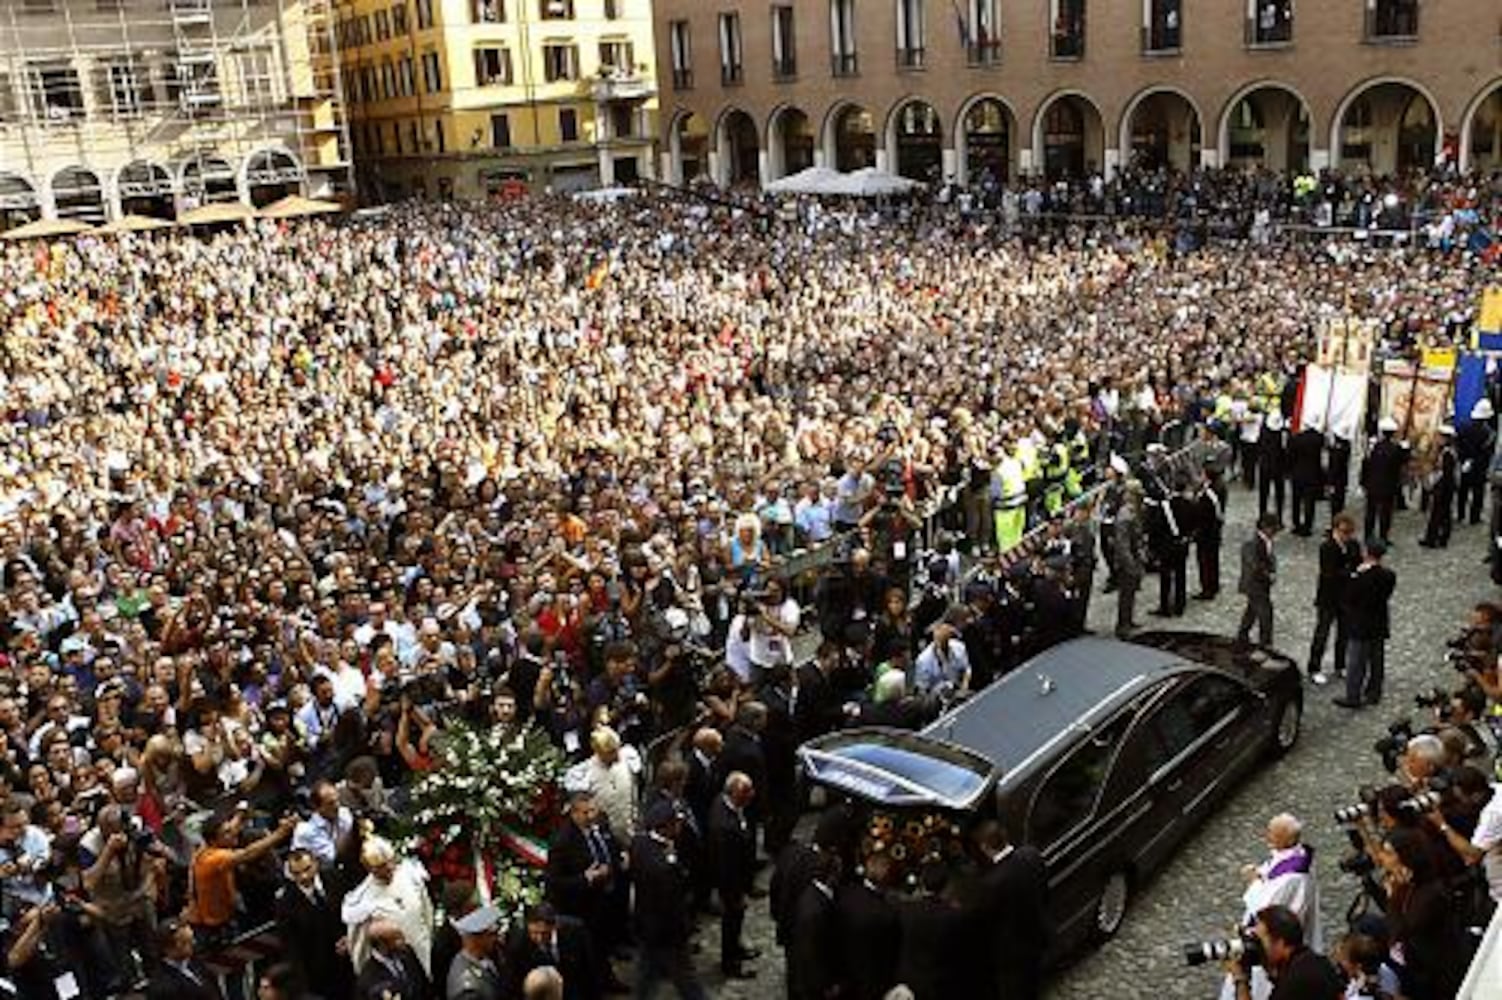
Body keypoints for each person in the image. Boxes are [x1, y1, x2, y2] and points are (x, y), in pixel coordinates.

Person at [1221, 815, 1320, 1000]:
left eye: (1273, 833)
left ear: (1289, 839)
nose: (1267, 836)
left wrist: (1254, 882)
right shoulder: (1292, 856)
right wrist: (1260, 873)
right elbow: (1272, 878)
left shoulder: (1294, 874)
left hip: (1272, 941)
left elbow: (1267, 907)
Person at [545, 790, 626, 991]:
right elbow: (554, 882)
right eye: (585, 812)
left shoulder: (600, 826)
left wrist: (619, 857)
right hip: (581, 907)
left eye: (593, 810)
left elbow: (611, 848)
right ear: (573, 813)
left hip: (605, 899)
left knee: (604, 944)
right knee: (589, 951)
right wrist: (585, 879)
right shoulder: (562, 842)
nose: (591, 816)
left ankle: (607, 978)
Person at [629, 800, 706, 1000]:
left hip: (646, 924)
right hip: (667, 931)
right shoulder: (663, 867)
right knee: (686, 978)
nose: (681, 826)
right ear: (666, 827)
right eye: (677, 823)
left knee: (647, 973)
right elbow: (672, 899)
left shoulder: (639, 843)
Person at [968, 820, 1048, 1000]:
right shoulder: (1031, 855)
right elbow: (1044, 891)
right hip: (1036, 937)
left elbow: (984, 922)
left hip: (1011, 954)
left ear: (985, 847)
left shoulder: (992, 883)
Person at [340, 835, 435, 976]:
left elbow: (427, 912)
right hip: (396, 972)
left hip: (424, 954)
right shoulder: (361, 901)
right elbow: (359, 949)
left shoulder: (410, 875)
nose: (389, 868)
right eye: (381, 866)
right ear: (369, 868)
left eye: (390, 861)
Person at [274, 847, 354, 1000]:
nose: (304, 876)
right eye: (296, 873)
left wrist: (350, 936)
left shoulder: (334, 878)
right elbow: (291, 949)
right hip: (318, 975)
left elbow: (352, 912)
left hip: (349, 963)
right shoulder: (285, 904)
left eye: (307, 869)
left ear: (316, 864)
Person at [1223, 905, 1343, 1000]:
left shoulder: (1296, 981)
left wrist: (1241, 980)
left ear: (1280, 943)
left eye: (1259, 941)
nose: (1256, 946)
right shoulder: (1314, 961)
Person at [707, 772, 759, 980]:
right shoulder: (725, 828)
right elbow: (727, 867)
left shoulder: (725, 803)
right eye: (747, 792)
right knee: (731, 920)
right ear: (734, 794)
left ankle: (736, 949)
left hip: (737, 877)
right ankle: (730, 963)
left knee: (736, 920)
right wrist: (737, 894)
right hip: (731, 884)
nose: (752, 795)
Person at [1335, 540, 1396, 709]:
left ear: (1366, 553)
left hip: (1361, 624)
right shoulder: (1389, 575)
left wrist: (1355, 576)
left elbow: (1349, 598)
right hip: (1379, 622)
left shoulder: (1360, 577)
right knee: (1377, 661)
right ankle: (1374, 692)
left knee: (1356, 663)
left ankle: (1353, 696)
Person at [833, 850, 899, 1000]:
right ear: (886, 878)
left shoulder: (845, 894)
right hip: (871, 980)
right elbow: (889, 953)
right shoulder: (887, 914)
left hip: (844, 973)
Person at [1307, 512, 1360, 686]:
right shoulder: (1327, 547)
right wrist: (1350, 572)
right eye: (1344, 532)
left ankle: (1340, 665)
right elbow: (1329, 573)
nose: (1347, 536)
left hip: (1346, 598)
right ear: (1335, 529)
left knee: (1344, 634)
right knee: (1322, 633)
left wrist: (1350, 572)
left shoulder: (1353, 545)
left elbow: (1357, 565)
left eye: (1349, 532)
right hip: (1328, 599)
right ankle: (1314, 668)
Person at [506, 901, 600, 1000]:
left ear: (555, 926)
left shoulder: (576, 932)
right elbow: (513, 983)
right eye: (534, 933)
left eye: (544, 933)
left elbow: (589, 971)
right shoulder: (518, 943)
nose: (539, 938)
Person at [787, 850, 843, 1000]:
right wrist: (825, 985)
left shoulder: (812, 893)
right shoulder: (816, 911)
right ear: (831, 876)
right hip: (813, 985)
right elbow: (812, 954)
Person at [1235, 514, 1281, 650]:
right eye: (1274, 528)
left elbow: (1269, 559)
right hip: (1254, 584)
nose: (1276, 532)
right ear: (1265, 527)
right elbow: (1254, 565)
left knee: (1252, 610)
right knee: (1266, 613)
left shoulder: (1268, 541)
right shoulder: (1251, 544)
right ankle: (1265, 644)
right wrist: (1269, 575)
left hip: (1262, 584)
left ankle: (1242, 635)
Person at [353, 918, 429, 1000]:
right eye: (397, 938)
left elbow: (424, 986)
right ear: (382, 944)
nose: (404, 941)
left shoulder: (408, 954)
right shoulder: (369, 978)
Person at [147, 919, 224, 1000]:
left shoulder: (196, 963)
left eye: (191, 939)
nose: (194, 943)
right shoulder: (163, 986)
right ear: (168, 949)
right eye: (185, 942)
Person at [1360, 418, 1407, 545]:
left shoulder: (1373, 447)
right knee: (1385, 513)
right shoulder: (1396, 449)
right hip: (1389, 485)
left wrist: (1363, 482)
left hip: (1373, 484)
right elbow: (1402, 463)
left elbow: (1365, 464)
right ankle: (1383, 536)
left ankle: (1368, 535)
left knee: (1371, 512)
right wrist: (1405, 449)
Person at [446, 904, 506, 1000]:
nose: (497, 938)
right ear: (476, 939)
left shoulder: (483, 958)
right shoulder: (468, 991)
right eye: (492, 934)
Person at [1113, 480, 1147, 637]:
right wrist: (1130, 564)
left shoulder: (1133, 511)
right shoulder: (1125, 516)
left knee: (1131, 593)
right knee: (1126, 594)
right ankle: (1122, 625)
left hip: (1134, 557)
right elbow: (1122, 545)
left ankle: (1128, 620)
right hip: (1127, 562)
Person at [1457, 398, 1496, 525]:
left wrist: (1464, 459)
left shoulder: (1464, 428)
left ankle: (1460, 514)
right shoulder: (1489, 433)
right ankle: (1474, 517)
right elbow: (1489, 453)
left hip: (1465, 463)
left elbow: (1459, 445)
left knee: (1463, 490)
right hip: (1480, 467)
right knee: (1477, 493)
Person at [1420, 424, 1459, 548]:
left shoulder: (1447, 454)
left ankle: (1434, 538)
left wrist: (1435, 486)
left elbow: (1445, 474)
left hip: (1443, 488)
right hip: (1446, 488)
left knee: (1438, 513)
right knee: (1443, 513)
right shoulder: (1448, 452)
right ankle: (1440, 538)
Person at [1286, 419, 1324, 537]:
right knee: (1309, 501)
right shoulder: (1319, 438)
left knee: (1296, 500)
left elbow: (1290, 456)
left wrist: (1289, 471)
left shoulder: (1296, 438)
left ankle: (1296, 524)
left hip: (1297, 473)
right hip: (1312, 474)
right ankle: (1308, 525)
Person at [1192, 468, 1225, 600]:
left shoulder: (1208, 495)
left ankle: (1207, 588)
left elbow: (1203, 515)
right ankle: (1213, 585)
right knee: (1212, 560)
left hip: (1206, 534)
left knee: (1206, 561)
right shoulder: (1216, 489)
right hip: (1213, 533)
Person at [1257, 413, 1288, 522]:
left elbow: (1259, 446)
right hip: (1278, 466)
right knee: (1279, 493)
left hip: (1266, 465)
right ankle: (1279, 516)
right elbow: (1285, 450)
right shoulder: (1283, 432)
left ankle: (1262, 515)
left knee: (1264, 493)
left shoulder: (1264, 430)